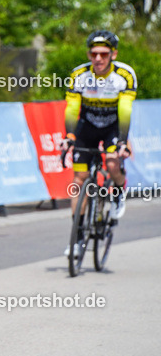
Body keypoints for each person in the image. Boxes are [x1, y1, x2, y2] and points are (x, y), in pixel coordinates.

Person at [61, 29, 136, 253]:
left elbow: (125, 110)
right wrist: (69, 136)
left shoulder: (124, 75)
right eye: (94, 54)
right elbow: (72, 108)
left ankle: (119, 191)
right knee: (78, 181)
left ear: (114, 54)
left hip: (112, 127)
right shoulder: (79, 75)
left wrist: (122, 141)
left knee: (112, 164)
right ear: (89, 55)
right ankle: (77, 238)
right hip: (87, 127)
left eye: (104, 54)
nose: (98, 59)